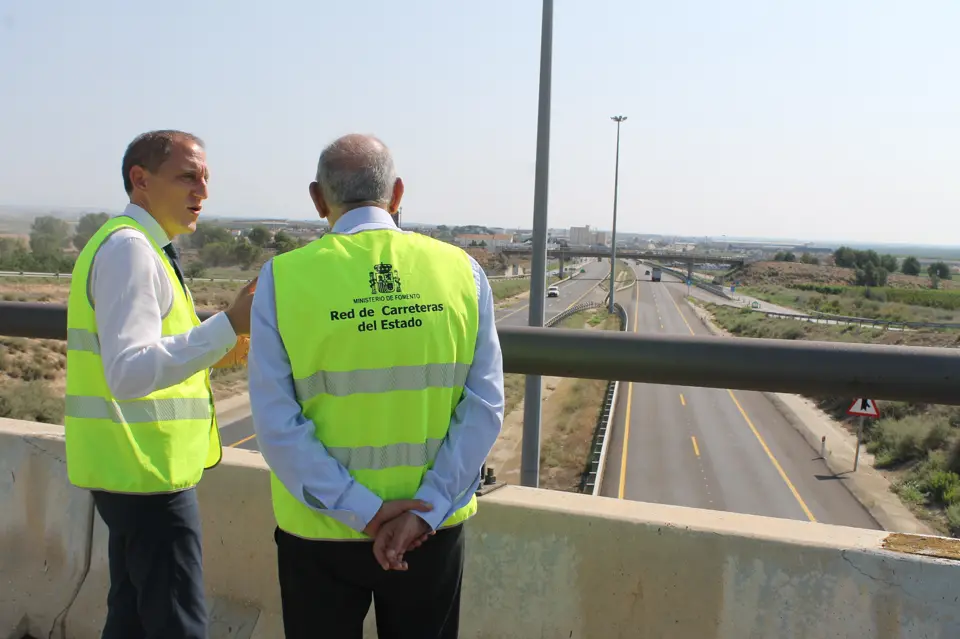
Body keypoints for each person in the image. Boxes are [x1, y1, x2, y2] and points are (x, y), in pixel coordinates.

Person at [249, 133, 504, 639]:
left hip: (320, 533)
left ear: (317, 198)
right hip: (429, 530)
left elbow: (277, 425)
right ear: (398, 193)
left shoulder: (283, 279)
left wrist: (363, 512)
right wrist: (423, 512)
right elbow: (485, 407)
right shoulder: (462, 273)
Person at [63, 129, 256, 639]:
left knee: (130, 618)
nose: (202, 192)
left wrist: (219, 339)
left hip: (129, 469)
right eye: (188, 177)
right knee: (177, 624)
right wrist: (228, 325)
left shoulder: (136, 245)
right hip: (147, 474)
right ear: (140, 179)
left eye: (206, 179)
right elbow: (129, 371)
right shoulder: (131, 251)